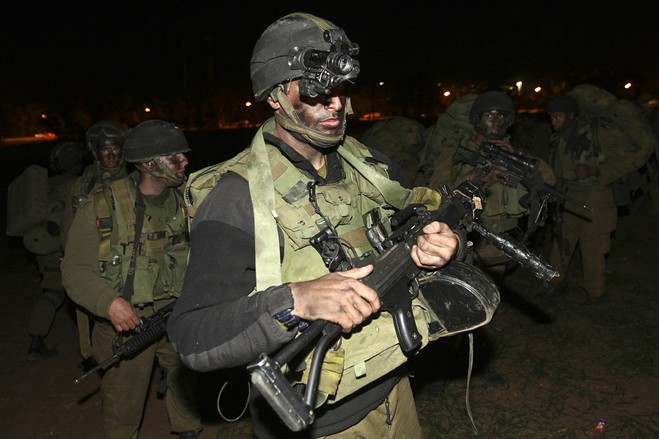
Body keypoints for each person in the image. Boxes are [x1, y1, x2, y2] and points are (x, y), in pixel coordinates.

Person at [167, 13, 460, 439]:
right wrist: (294, 300)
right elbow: (191, 336)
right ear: (275, 97)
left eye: (341, 90)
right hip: (319, 424)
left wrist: (444, 245)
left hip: (393, 388)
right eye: (316, 91)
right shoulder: (236, 197)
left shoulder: (368, 167)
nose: (335, 104)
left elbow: (424, 224)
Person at [61, 120, 201, 438]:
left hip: (179, 310)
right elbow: (75, 270)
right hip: (127, 321)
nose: (184, 161)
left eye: (183, 154)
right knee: (123, 401)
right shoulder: (102, 206)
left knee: (186, 385)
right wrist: (109, 303)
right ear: (148, 164)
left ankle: (188, 431)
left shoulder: (190, 199)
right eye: (175, 156)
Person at [427, 90, 555, 280]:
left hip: (497, 240)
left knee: (491, 289)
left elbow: (549, 180)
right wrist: (471, 179)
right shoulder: (455, 153)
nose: (496, 122)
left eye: (502, 116)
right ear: (477, 119)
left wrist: (518, 159)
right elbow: (436, 193)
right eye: (490, 115)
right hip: (461, 235)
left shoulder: (514, 154)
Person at [59, 120, 129, 365]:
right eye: (104, 149)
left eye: (115, 148)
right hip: (95, 259)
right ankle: (99, 356)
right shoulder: (82, 185)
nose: (111, 155)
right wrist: (76, 259)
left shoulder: (134, 179)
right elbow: (68, 228)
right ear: (95, 152)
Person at [544, 95, 617, 303]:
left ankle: (596, 292)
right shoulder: (559, 138)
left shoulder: (596, 134)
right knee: (562, 241)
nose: (553, 122)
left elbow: (623, 160)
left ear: (571, 116)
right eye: (551, 117)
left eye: (558, 116)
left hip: (595, 195)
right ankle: (555, 283)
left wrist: (595, 171)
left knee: (592, 246)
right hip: (568, 195)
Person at [24, 141, 85, 359]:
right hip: (63, 248)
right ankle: (38, 343)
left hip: (43, 249)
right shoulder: (78, 184)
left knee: (53, 293)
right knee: (73, 295)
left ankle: (36, 341)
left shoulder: (45, 185)